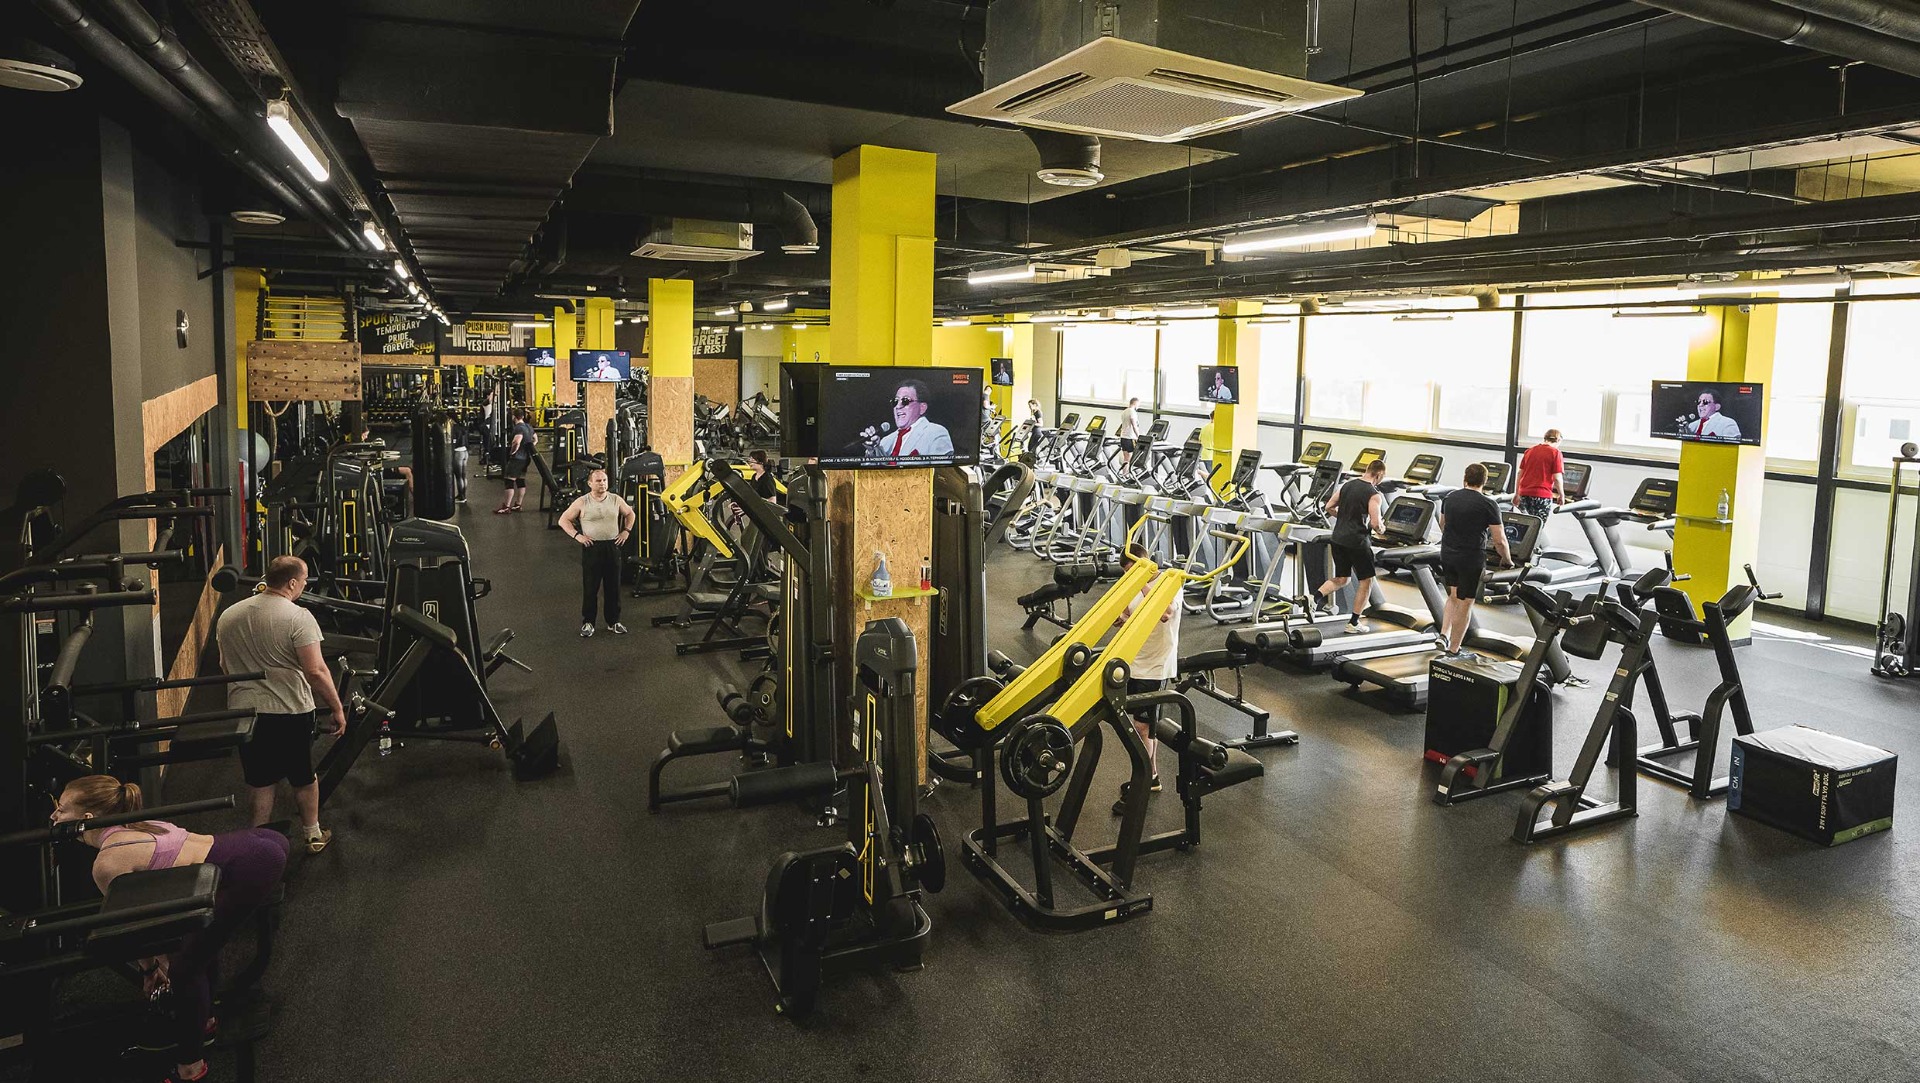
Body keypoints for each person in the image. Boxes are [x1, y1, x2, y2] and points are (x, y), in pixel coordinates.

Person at [51, 775, 290, 1083]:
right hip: (258, 844)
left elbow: (136, 926)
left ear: (86, 818)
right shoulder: (139, 824)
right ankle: (204, 1020)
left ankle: (190, 1067)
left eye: (61, 809)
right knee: (198, 946)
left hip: (251, 864)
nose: (53, 816)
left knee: (185, 969)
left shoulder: (108, 862)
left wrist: (151, 969)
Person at [215, 555, 343, 852]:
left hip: (246, 712)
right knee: (303, 776)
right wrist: (337, 707)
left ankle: (257, 841)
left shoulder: (229, 615)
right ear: (293, 583)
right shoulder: (299, 617)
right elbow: (315, 671)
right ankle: (313, 834)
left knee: (260, 780)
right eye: (305, 580)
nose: (305, 585)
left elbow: (224, 665)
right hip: (290, 710)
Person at [1109, 542, 1178, 815]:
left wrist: (1141, 583)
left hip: (1156, 665)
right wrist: (1121, 617)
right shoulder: (1133, 583)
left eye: (1133, 571)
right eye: (1127, 573)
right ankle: (1153, 776)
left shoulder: (1169, 583)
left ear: (1147, 565)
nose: (1130, 577)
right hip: (1135, 662)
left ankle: (1142, 783)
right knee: (1145, 727)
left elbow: (1165, 613)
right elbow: (1131, 615)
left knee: (1141, 727)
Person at [1436, 463, 1512, 658]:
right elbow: (1499, 540)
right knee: (1465, 602)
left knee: (1453, 595)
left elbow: (1443, 524)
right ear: (1485, 481)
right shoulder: (1488, 504)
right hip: (1470, 557)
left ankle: (1444, 634)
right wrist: (1507, 560)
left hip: (1448, 553)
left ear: (1465, 478)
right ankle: (1454, 649)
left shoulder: (1449, 498)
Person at [559, 467, 636, 637]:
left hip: (612, 546)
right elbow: (563, 520)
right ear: (590, 483)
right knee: (590, 587)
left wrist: (626, 531)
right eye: (598, 481)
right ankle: (588, 623)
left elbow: (630, 514)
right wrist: (578, 536)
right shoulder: (582, 501)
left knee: (613, 587)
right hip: (592, 547)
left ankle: (613, 622)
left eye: (604, 480)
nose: (602, 484)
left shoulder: (616, 499)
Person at [1314, 459, 1389, 633]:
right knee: (1367, 581)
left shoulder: (1347, 485)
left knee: (1342, 578)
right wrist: (1382, 529)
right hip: (1357, 541)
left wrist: (1345, 518)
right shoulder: (1374, 494)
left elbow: (1329, 507)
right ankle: (1354, 623)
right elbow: (1375, 523)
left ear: (1367, 469)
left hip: (1338, 538)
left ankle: (1314, 598)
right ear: (1379, 475)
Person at [865, 378, 953, 459]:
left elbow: (941, 468)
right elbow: (873, 469)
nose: (898, 406)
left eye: (905, 401)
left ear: (922, 408)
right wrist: (872, 450)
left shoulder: (936, 433)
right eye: (895, 401)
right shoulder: (885, 441)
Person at [1515, 428, 1566, 521]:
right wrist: (1561, 495)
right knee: (1538, 525)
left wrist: (1516, 494)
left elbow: (1520, 473)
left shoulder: (1529, 451)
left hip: (1524, 494)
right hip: (1541, 496)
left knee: (1527, 525)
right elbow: (1557, 478)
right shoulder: (1555, 453)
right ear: (1558, 440)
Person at [496, 407, 536, 513]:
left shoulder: (518, 428)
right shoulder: (528, 427)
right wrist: (529, 448)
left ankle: (506, 507)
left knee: (509, 481)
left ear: (514, 417)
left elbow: (516, 441)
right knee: (520, 481)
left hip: (517, 459)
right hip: (526, 458)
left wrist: (513, 452)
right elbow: (535, 439)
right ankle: (518, 505)